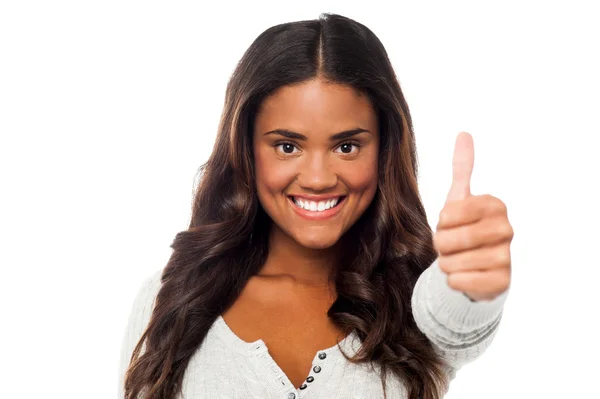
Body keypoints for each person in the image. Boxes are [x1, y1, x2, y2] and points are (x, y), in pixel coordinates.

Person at [118, 13, 513, 399]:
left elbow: (455, 321)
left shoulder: (410, 298)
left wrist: (469, 283)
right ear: (246, 150)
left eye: (347, 146)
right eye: (287, 146)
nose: (319, 178)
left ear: (384, 151)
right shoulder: (169, 299)